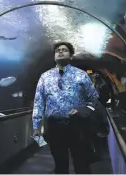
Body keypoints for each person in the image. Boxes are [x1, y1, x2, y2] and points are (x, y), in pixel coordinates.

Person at [32, 42, 99, 174]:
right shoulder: (45, 77)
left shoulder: (81, 75)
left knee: (82, 164)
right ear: (54, 56)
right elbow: (39, 102)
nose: (60, 52)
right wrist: (36, 126)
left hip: (77, 124)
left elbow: (94, 99)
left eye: (64, 50)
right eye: (58, 50)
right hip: (54, 126)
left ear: (71, 56)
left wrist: (83, 110)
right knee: (60, 164)